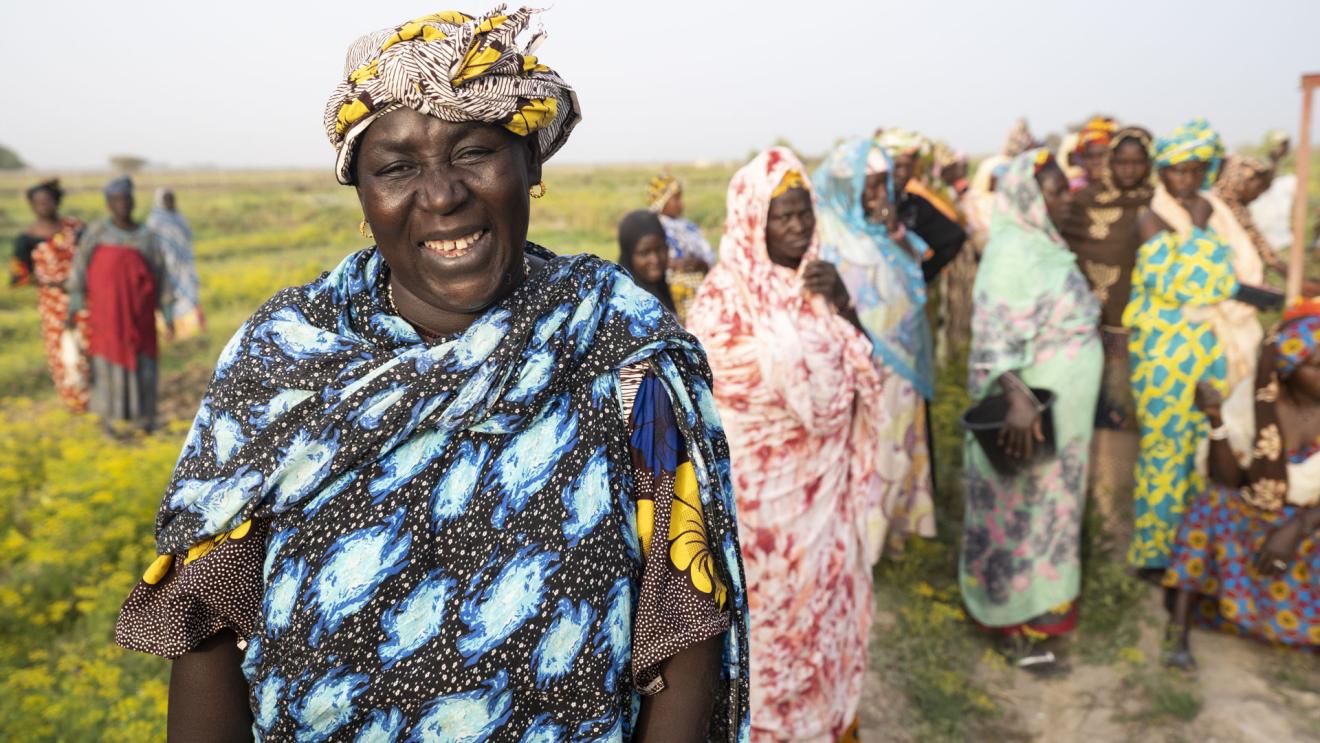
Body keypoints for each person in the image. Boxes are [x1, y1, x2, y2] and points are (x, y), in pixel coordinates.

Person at [114, 9, 749, 742]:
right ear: (362, 193)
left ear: (531, 164)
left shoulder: (619, 350)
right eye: (397, 167)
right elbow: (208, 620)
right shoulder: (285, 357)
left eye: (474, 151)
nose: (442, 193)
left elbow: (685, 610)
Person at [687, 147, 883, 742]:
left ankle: (827, 724)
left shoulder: (819, 282)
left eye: (804, 214)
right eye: (783, 217)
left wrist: (844, 304)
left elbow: (864, 370)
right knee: (770, 634)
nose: (799, 228)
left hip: (822, 507)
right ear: (753, 221)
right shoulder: (723, 303)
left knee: (824, 617)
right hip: (759, 516)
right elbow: (717, 404)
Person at [960, 149, 1102, 672]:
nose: (1066, 198)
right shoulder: (1014, 253)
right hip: (1029, 419)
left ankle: (1040, 611)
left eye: (1066, 188)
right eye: (1056, 190)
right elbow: (994, 338)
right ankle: (1006, 624)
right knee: (1015, 513)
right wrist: (1018, 397)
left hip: (1063, 418)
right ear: (1027, 195)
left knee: (1048, 512)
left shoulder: (1044, 244)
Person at [1163, 300, 1320, 668]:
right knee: (1211, 506)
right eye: (1316, 365)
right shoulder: (1255, 401)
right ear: (1288, 369)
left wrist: (1296, 527)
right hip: (1253, 508)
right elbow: (1228, 478)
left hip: (1310, 521)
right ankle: (1177, 631)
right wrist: (1217, 421)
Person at [1124, 118, 1244, 574]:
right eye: (1177, 171)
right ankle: (1154, 555)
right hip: (1162, 354)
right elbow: (1180, 284)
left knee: (1204, 445)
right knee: (1163, 450)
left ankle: (1197, 551)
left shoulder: (1215, 214)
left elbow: (1230, 280)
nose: (1187, 180)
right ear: (1163, 173)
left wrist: (1202, 251)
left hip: (1207, 349)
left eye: (1195, 170)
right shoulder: (1151, 218)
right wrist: (1196, 235)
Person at [813, 138, 937, 549]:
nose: (877, 195)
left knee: (898, 445)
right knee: (867, 451)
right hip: (858, 365)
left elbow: (917, 271)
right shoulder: (826, 233)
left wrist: (893, 230)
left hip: (899, 363)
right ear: (846, 187)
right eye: (868, 186)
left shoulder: (883, 230)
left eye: (881, 185)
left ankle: (893, 535)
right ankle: (865, 543)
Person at [1060, 127, 1155, 551]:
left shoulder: (1158, 203)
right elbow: (1061, 250)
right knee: (1079, 419)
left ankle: (1114, 518)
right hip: (1080, 333)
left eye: (1138, 162)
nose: (1129, 170)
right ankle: (1079, 516)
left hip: (1133, 333)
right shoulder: (1083, 203)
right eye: (1122, 161)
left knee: (1121, 422)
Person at [67, 176, 175, 432]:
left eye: (126, 199)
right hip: (106, 318)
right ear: (108, 203)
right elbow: (79, 268)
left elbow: (161, 277)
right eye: (116, 200)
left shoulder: (147, 237)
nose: (122, 205)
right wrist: (74, 304)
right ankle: (108, 423)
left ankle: (145, 422)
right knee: (106, 366)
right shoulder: (97, 233)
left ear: (133, 201)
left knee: (144, 368)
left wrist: (168, 315)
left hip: (141, 319)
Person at [17, 179, 90, 411]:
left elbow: (93, 258)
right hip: (53, 304)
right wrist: (54, 282)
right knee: (62, 351)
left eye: (47, 201)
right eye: (38, 202)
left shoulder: (76, 229)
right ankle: (75, 402)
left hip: (85, 299)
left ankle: (96, 399)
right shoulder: (26, 239)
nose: (43, 206)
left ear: (57, 201)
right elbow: (21, 276)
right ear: (31, 205)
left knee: (89, 347)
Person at [876, 128, 968, 282]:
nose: (904, 174)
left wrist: (922, 275)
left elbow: (954, 238)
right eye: (897, 166)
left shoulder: (913, 205)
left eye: (908, 167)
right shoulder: (859, 204)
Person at [649, 174, 715, 324]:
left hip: (699, 294)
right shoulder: (653, 227)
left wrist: (701, 263)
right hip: (671, 297)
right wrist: (672, 263)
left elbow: (708, 256)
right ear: (662, 200)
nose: (681, 203)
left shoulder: (689, 227)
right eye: (676, 198)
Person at [147, 187, 206, 338]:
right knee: (166, 298)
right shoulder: (155, 221)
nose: (169, 202)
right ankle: (168, 330)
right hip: (165, 269)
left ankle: (191, 333)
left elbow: (187, 240)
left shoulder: (180, 218)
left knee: (188, 298)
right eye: (166, 199)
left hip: (184, 268)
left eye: (171, 198)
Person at [617, 209, 678, 316]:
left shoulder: (665, 290)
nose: (655, 260)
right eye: (644, 253)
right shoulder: (623, 306)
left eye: (660, 249)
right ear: (628, 256)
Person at [1073, 116, 1119, 190]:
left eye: (1101, 155)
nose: (1095, 162)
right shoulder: (1074, 190)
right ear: (1082, 158)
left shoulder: (1125, 188)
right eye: (1089, 156)